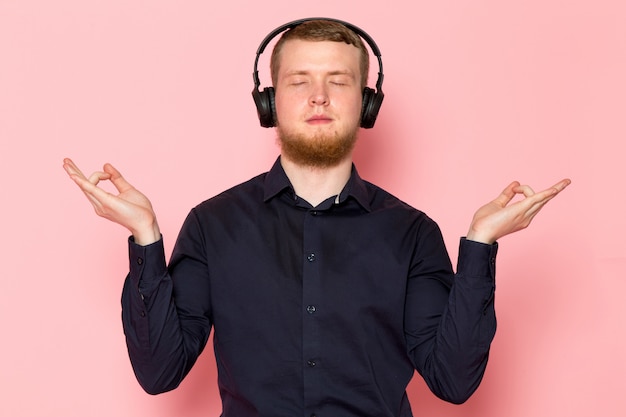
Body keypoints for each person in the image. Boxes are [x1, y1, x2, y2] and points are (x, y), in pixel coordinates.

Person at [63, 18, 570, 417]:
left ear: (367, 104)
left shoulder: (412, 233)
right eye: (299, 80)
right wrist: (145, 237)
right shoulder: (212, 225)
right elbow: (159, 373)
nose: (319, 96)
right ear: (270, 101)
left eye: (339, 81)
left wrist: (480, 244)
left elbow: (454, 383)